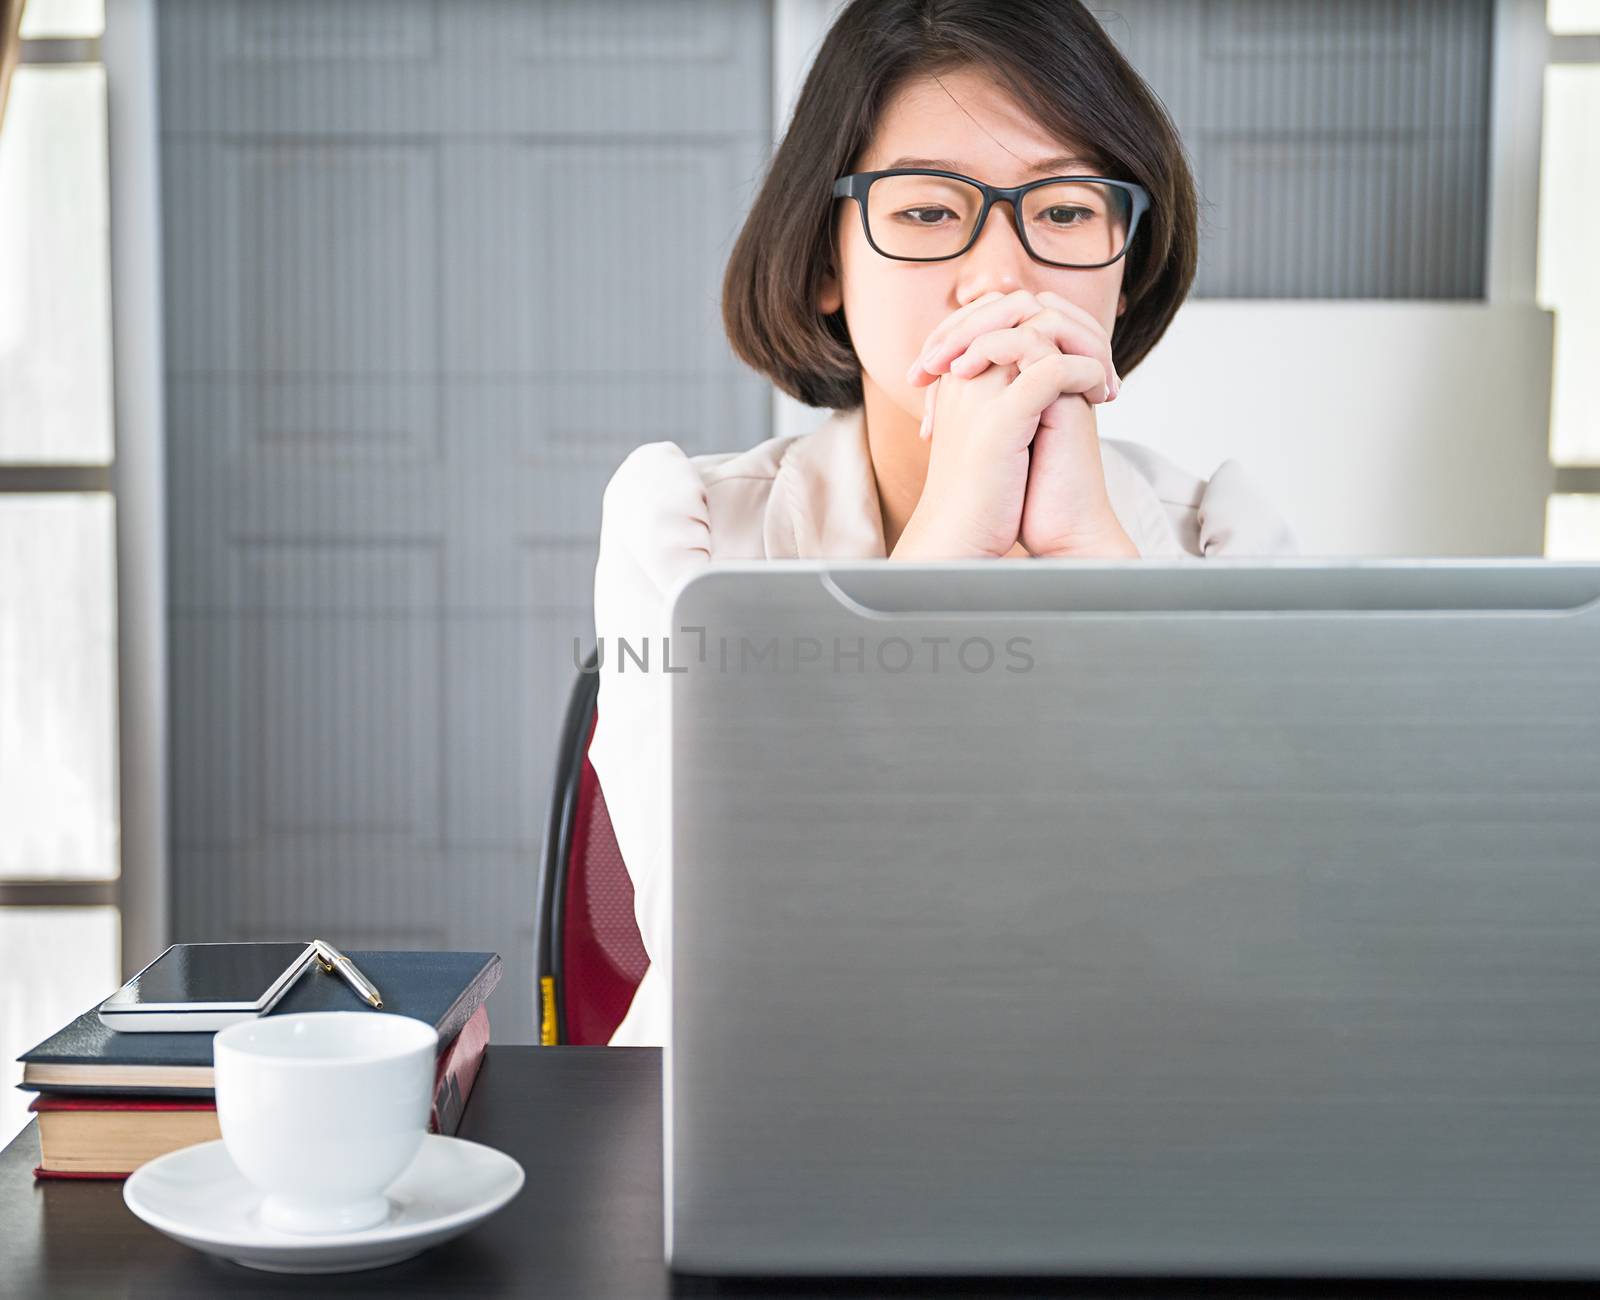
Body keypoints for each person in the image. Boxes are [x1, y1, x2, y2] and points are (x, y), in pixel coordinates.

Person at [588, 0, 1299, 1048]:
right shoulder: (689, 535)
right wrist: (929, 565)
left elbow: (1262, 933)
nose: (1001, 278)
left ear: (1123, 259)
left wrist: (1092, 561)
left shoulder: (1222, 540)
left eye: (1063, 211)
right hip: (774, 1115)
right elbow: (732, 944)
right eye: (926, 213)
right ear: (826, 262)